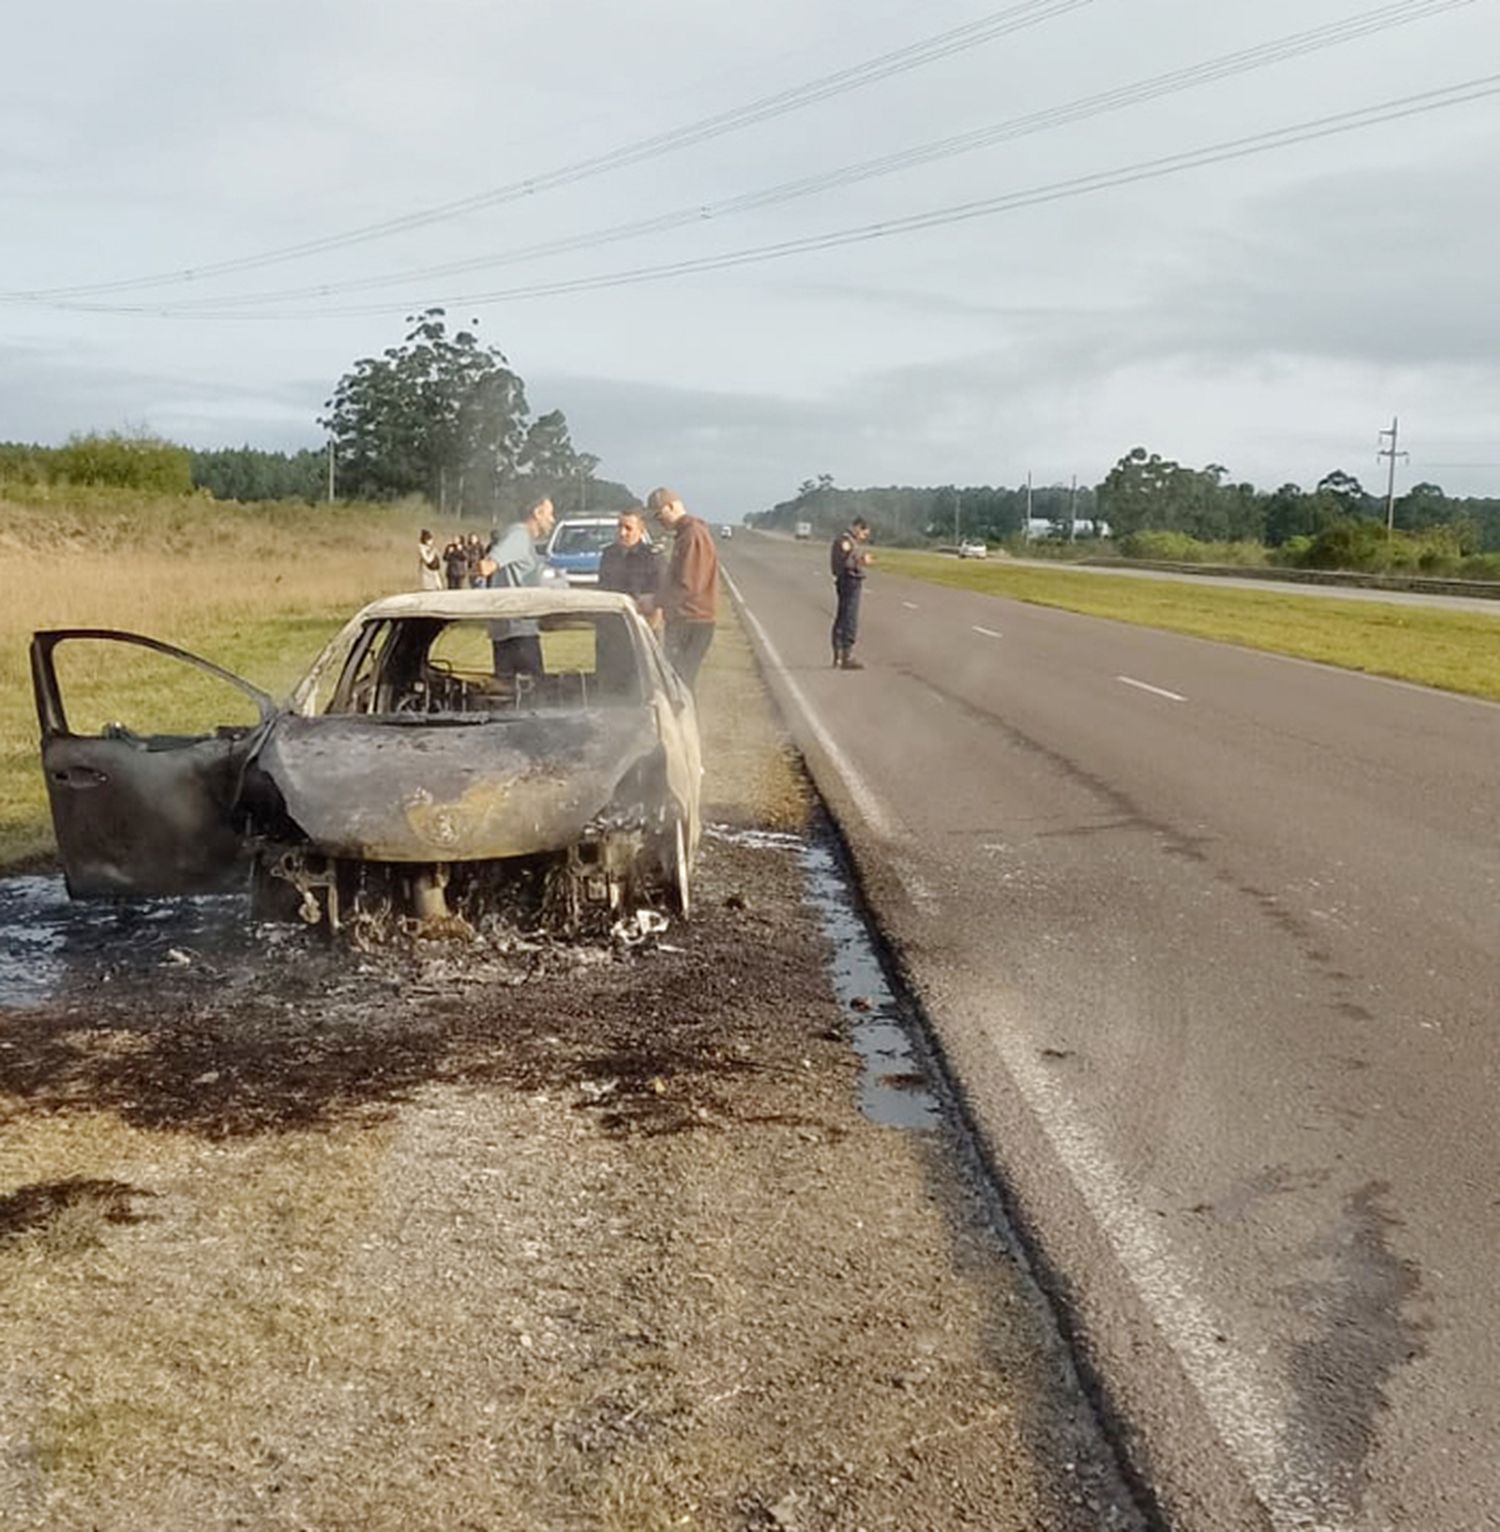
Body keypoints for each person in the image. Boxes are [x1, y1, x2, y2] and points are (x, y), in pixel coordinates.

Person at [647, 486, 718, 692]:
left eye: (659, 515)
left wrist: (655, 601)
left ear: (671, 506)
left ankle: (685, 723)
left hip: (692, 621)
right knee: (676, 679)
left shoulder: (692, 535)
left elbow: (688, 585)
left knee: (679, 681)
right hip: (685, 618)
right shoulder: (685, 534)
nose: (658, 521)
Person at [480, 496, 555, 682]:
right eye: (550, 514)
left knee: (512, 692)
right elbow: (486, 566)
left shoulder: (524, 539)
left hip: (515, 629)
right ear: (537, 513)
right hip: (516, 631)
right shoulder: (519, 536)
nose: (552, 520)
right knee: (533, 693)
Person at [597, 508, 661, 627]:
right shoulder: (608, 555)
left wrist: (652, 627)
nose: (622, 533)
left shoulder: (651, 557)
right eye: (619, 527)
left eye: (628, 528)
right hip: (612, 621)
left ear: (641, 530)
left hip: (641, 620)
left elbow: (659, 595)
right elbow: (603, 589)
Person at [830, 517, 873, 669]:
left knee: (843, 616)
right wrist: (862, 561)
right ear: (857, 528)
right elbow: (847, 563)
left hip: (846, 581)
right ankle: (845, 656)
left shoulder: (847, 541)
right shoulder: (846, 541)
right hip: (849, 581)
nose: (863, 537)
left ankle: (839, 656)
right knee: (849, 618)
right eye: (863, 534)